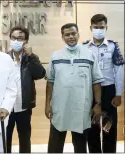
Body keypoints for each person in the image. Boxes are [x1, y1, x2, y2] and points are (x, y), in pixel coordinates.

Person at [45, 23, 103, 153]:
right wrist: (47, 104)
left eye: (73, 33)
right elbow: (50, 82)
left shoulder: (89, 55)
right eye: (67, 34)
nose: (71, 37)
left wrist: (98, 104)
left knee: (80, 146)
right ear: (62, 37)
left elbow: (96, 82)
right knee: (55, 145)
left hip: (81, 108)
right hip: (60, 107)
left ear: (78, 34)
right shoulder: (55, 56)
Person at [83, 14, 124, 153]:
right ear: (91, 28)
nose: (98, 30)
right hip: (90, 91)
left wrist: (118, 94)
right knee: (92, 126)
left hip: (109, 90)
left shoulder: (113, 46)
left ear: (106, 27)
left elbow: (119, 71)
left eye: (101, 27)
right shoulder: (84, 47)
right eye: (96, 27)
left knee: (109, 127)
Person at [6, 26, 46, 153]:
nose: (17, 41)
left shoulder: (31, 58)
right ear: (10, 39)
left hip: (23, 106)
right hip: (6, 107)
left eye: (21, 39)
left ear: (26, 41)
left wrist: (31, 56)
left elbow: (40, 74)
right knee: (4, 139)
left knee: (24, 139)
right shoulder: (3, 58)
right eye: (14, 38)